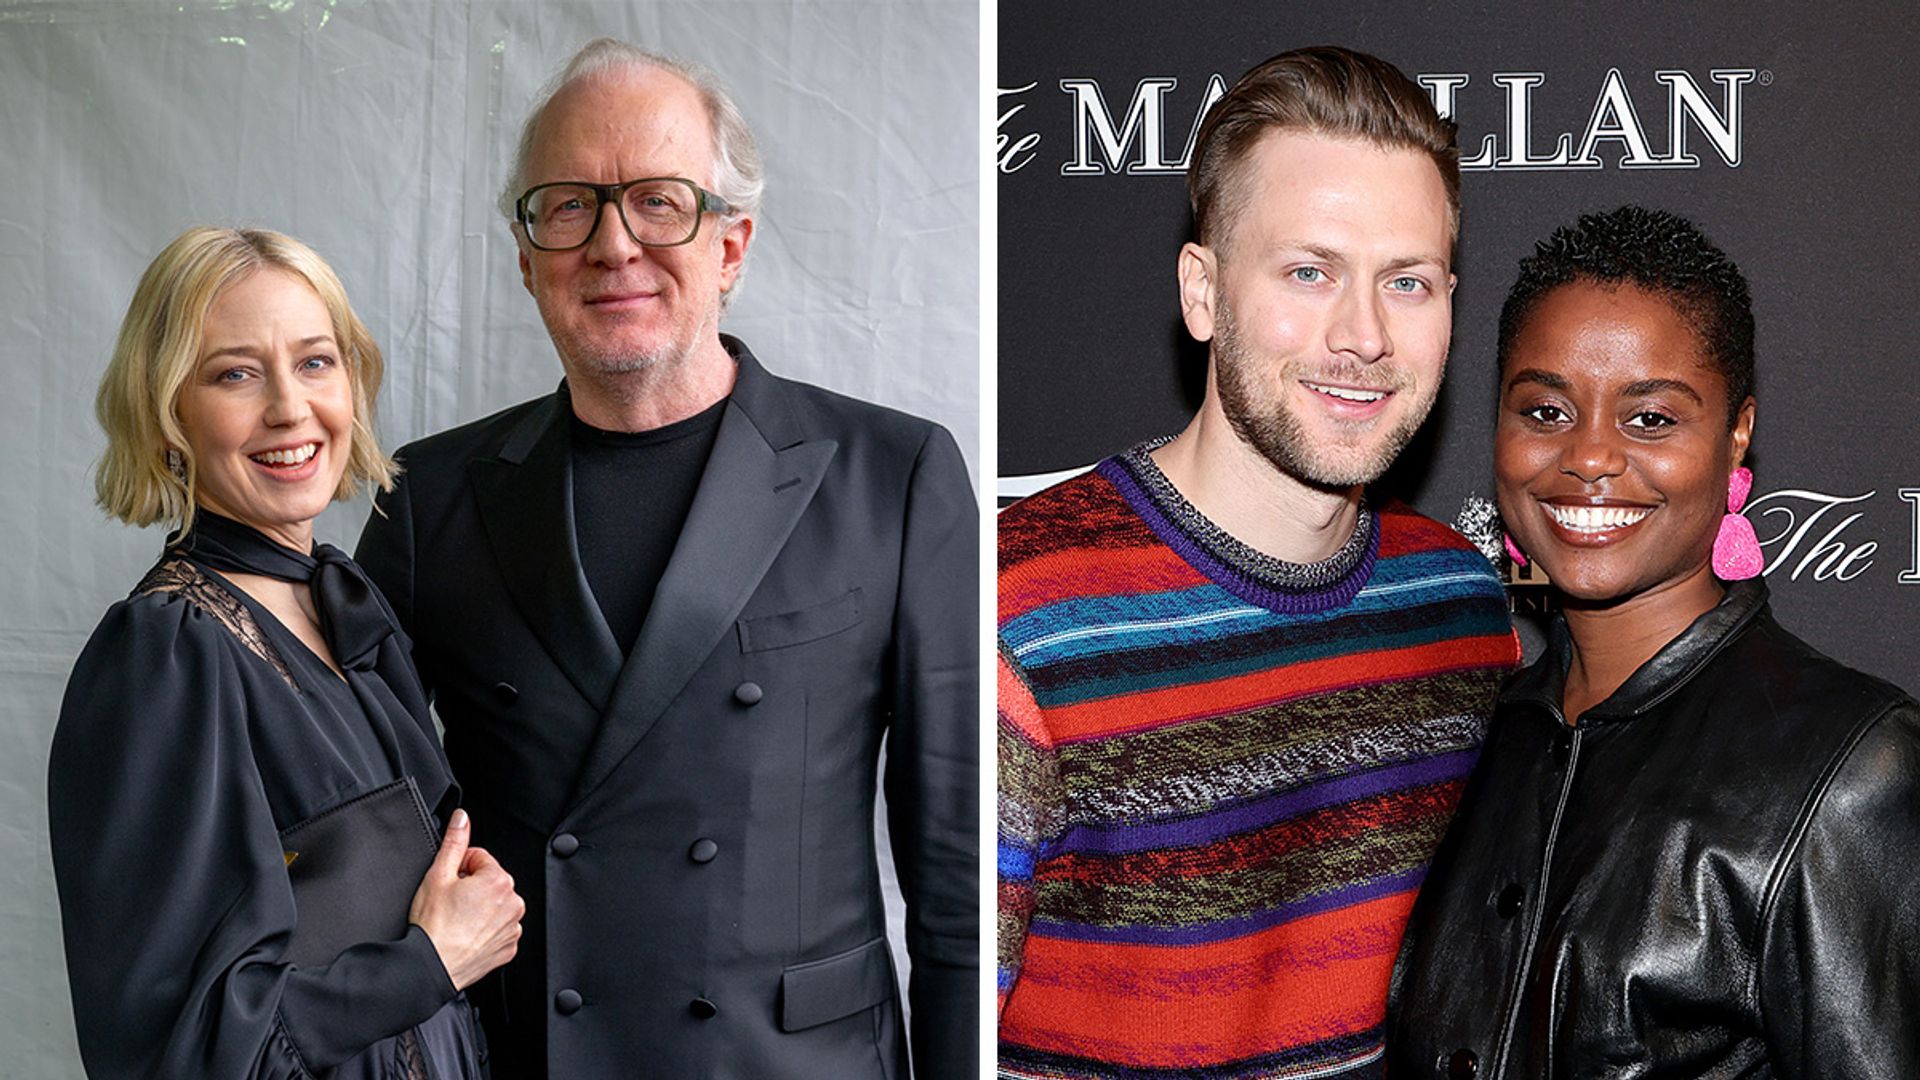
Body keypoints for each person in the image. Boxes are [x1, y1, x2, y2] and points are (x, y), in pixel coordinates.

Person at [354, 39, 977, 1080]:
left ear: (730, 247)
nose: (612, 244)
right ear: (527, 258)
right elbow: (357, 831)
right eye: (568, 206)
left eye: (658, 200)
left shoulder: (892, 477)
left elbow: (960, 886)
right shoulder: (427, 498)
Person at [997, 46, 1521, 1080]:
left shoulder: (1462, 603)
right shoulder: (1019, 620)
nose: (1364, 336)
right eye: (1309, 271)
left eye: (1406, 282)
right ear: (1202, 293)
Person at [1386, 205, 1920, 1077]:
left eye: (1651, 419)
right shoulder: (1478, 740)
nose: (1589, 456)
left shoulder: (1850, 772)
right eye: (1546, 408)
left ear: (1736, 431)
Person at [49, 226, 524, 1079]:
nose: (290, 408)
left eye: (314, 362)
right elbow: (173, 1052)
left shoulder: (341, 601)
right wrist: (428, 964)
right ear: (168, 418)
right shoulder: (168, 652)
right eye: (235, 374)